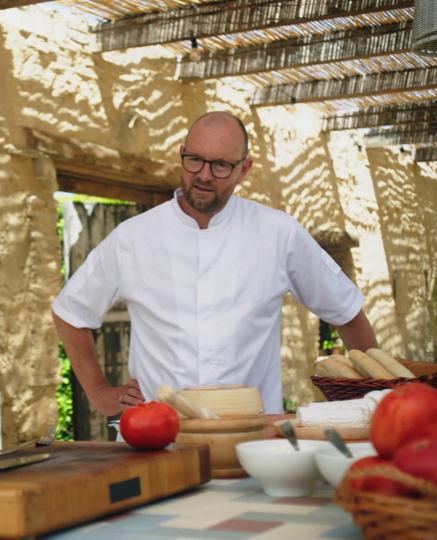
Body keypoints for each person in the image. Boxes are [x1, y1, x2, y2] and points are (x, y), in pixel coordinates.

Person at [52, 111, 377, 417]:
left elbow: (346, 311)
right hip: (158, 437)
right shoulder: (133, 237)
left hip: (252, 438)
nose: (204, 175)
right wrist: (99, 393)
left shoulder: (279, 233)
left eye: (220, 165)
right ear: (182, 154)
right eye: (194, 160)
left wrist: (372, 403)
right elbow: (70, 311)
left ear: (244, 169)